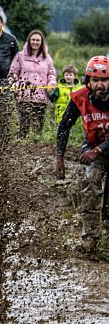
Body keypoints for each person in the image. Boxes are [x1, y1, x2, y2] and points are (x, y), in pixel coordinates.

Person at [54, 56, 109, 253]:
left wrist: (99, 150)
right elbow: (63, 127)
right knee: (90, 182)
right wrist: (59, 158)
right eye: (95, 80)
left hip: (100, 149)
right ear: (88, 81)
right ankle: (90, 238)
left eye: (104, 80)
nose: (100, 85)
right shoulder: (80, 97)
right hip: (94, 148)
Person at [9, 30, 56, 139]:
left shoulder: (47, 57)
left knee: (38, 124)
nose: (35, 42)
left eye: (38, 40)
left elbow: (51, 73)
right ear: (29, 41)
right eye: (33, 40)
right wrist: (14, 84)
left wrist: (52, 83)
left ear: (41, 42)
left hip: (41, 95)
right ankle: (21, 143)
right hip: (24, 95)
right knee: (24, 123)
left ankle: (37, 143)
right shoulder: (20, 56)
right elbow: (12, 73)